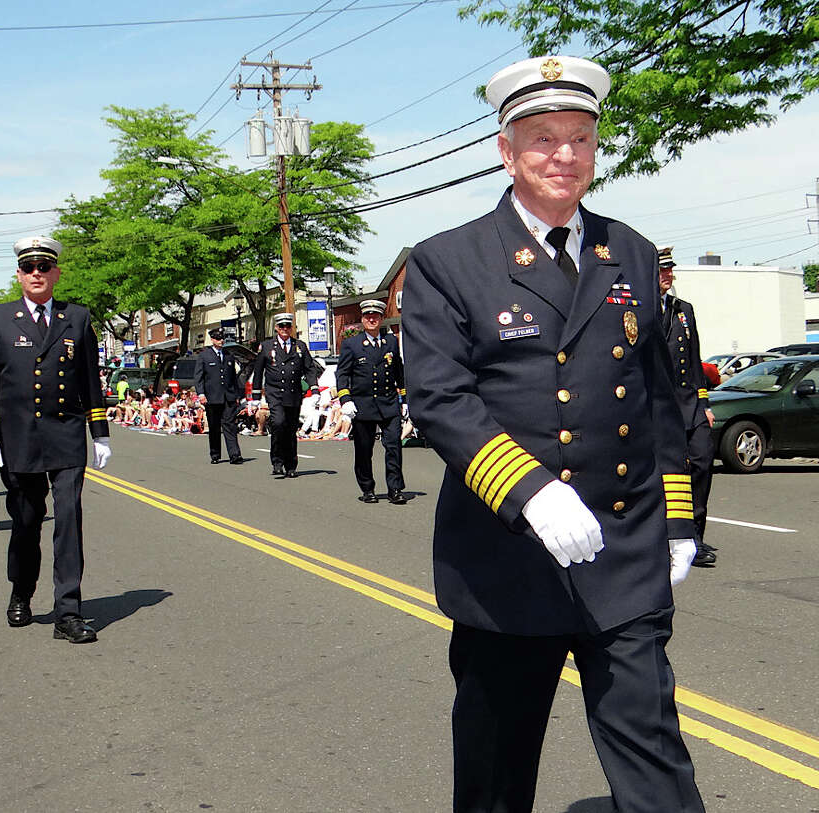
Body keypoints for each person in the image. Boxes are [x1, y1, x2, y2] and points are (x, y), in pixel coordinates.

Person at [401, 55, 704, 812]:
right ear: (506, 151)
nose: (563, 155)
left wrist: (677, 517)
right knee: (497, 775)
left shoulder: (627, 248)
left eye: (579, 138)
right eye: (541, 138)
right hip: (510, 561)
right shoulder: (448, 260)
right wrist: (531, 491)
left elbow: (661, 395)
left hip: (625, 552)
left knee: (656, 761)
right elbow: (442, 398)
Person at [0, 236, 112, 644]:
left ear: (56, 273)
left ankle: (69, 611)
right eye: (29, 268)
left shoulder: (78, 318)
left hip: (66, 437)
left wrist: (99, 432)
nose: (37, 274)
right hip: (18, 440)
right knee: (27, 521)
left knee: (69, 521)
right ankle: (21, 589)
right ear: (19, 274)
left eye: (44, 267)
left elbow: (90, 379)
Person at [659, 247, 717, 567]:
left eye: (670, 270)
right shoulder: (639, 309)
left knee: (701, 462)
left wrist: (704, 402)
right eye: (662, 270)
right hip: (658, 408)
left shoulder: (684, 310)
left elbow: (694, 360)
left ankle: (695, 535)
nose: (668, 275)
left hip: (690, 404)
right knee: (668, 473)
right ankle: (668, 535)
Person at [336, 299, 407, 504]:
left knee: (394, 446)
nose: (371, 319)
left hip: (388, 403)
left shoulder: (391, 341)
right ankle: (368, 488)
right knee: (364, 449)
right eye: (368, 316)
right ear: (362, 319)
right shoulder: (352, 344)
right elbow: (342, 374)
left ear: (381, 319)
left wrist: (405, 398)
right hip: (363, 405)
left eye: (375, 316)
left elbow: (398, 370)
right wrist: (345, 399)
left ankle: (395, 489)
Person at [250, 312, 320, 477]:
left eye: (288, 326)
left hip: (294, 393)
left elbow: (309, 369)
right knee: (279, 423)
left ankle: (291, 465)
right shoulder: (267, 346)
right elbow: (258, 371)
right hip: (275, 393)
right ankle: (277, 460)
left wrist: (314, 389)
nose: (285, 329)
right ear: (276, 328)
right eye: (281, 326)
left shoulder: (300, 346)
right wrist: (254, 398)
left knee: (290, 429)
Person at [195, 327, 245, 464]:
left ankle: (235, 454)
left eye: (222, 338)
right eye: (218, 338)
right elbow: (199, 377)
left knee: (230, 425)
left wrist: (237, 394)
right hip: (212, 397)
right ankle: (215, 454)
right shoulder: (204, 356)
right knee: (214, 426)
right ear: (212, 339)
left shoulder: (228, 355)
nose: (221, 341)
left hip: (228, 397)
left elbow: (233, 377)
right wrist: (201, 394)